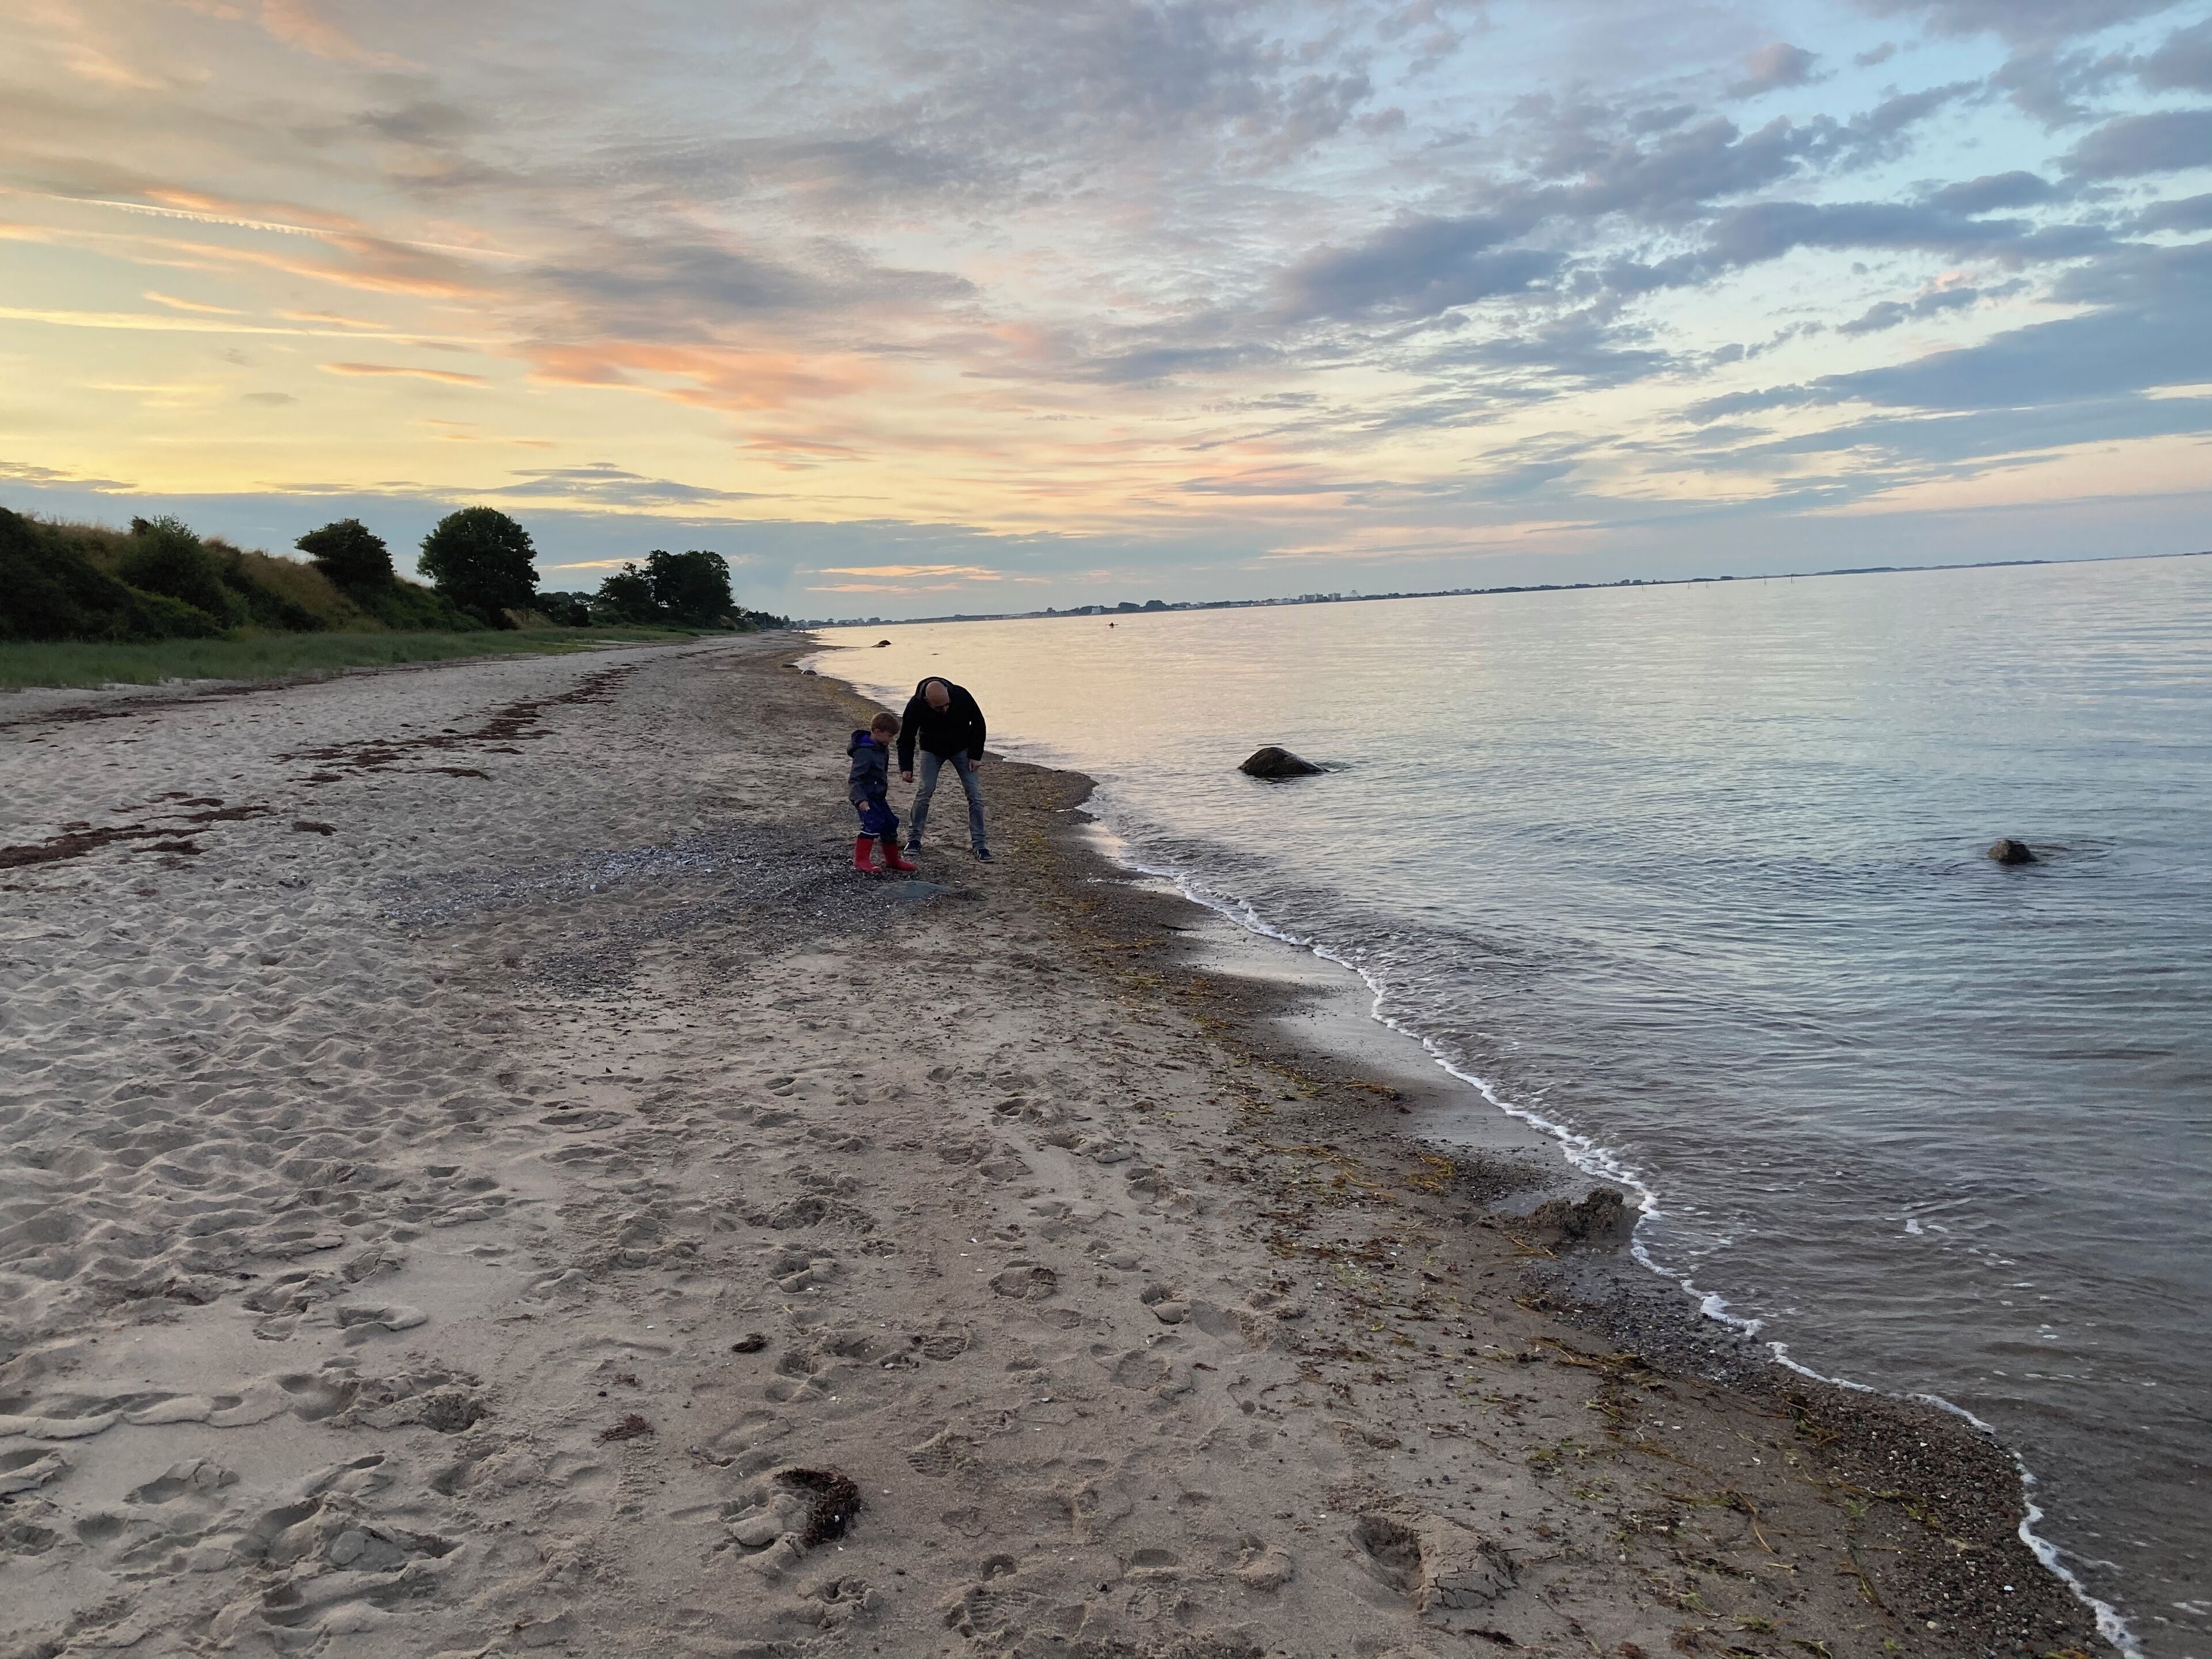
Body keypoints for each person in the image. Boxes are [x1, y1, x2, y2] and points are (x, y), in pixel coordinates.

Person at [897, 677, 991, 862]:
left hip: (962, 748)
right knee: (925, 790)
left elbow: (979, 723)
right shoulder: (915, 705)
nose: (945, 710)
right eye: (939, 708)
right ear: (927, 701)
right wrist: (906, 767)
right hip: (931, 750)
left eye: (947, 705)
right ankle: (914, 839)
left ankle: (980, 845)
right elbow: (906, 738)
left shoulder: (961, 695)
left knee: (974, 794)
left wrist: (975, 755)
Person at [847, 712, 918, 873]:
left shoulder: (883, 748)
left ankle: (893, 860)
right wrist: (860, 800)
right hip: (865, 796)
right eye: (889, 736)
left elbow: (881, 772)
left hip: (878, 795)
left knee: (890, 823)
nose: (891, 740)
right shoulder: (864, 752)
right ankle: (861, 860)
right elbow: (855, 779)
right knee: (872, 824)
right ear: (877, 731)